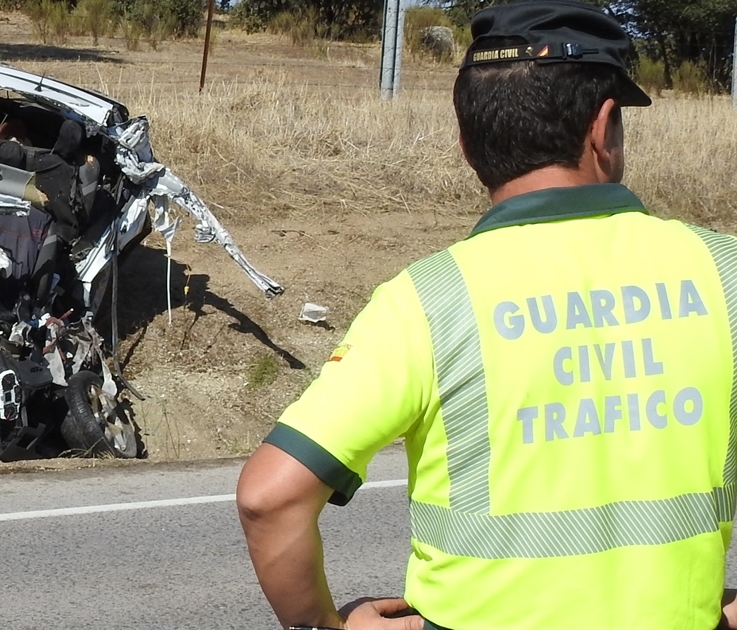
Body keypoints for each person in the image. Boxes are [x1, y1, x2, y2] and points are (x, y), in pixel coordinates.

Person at [236, 1, 737, 629]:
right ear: (603, 128)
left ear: (468, 144)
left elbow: (269, 498)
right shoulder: (724, 273)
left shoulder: (426, 300)